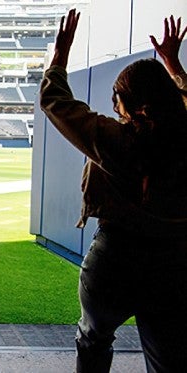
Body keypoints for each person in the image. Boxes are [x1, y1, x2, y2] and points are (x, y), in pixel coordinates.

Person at [40, 10, 187, 372]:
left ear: (135, 106)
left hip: (115, 257)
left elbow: (54, 101)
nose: (114, 105)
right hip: (175, 260)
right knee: (168, 357)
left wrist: (60, 54)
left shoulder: (118, 140)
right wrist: (174, 67)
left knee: (93, 340)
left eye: (117, 98)